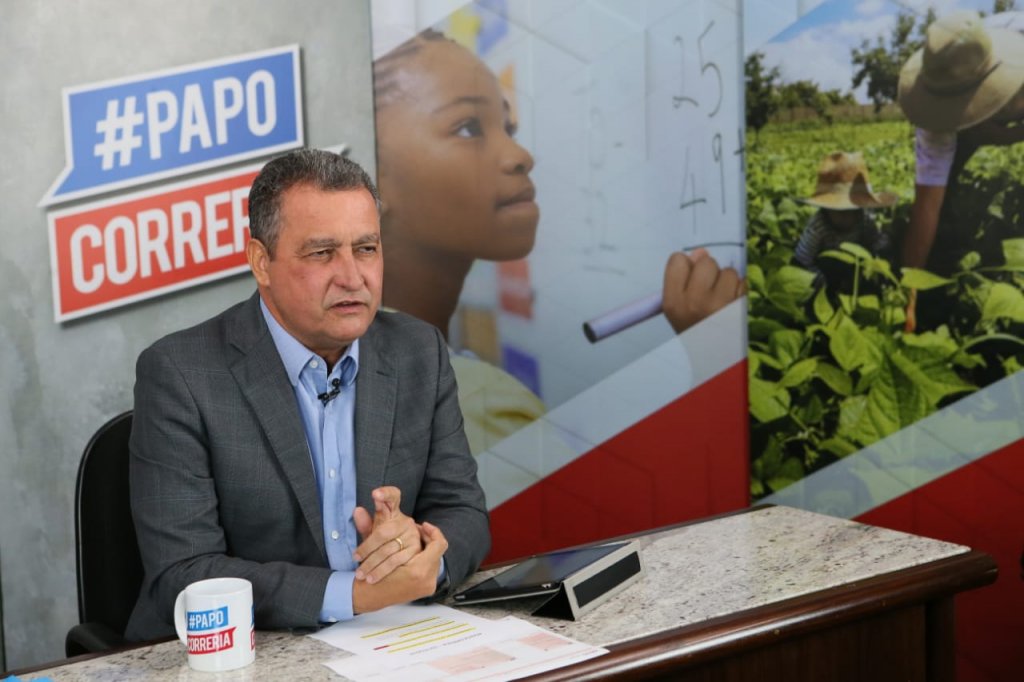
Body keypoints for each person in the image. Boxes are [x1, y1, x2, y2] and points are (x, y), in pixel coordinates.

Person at [125, 149, 490, 641]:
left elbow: (464, 513)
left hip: (394, 639)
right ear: (261, 262)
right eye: (322, 253)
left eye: (366, 248)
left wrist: (422, 555)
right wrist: (353, 594)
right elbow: (184, 573)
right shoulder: (181, 374)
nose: (353, 277)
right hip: (245, 653)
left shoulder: (417, 351)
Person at [372, 29, 743, 450]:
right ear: (369, 176)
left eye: (509, 127)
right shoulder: (465, 407)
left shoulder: (384, 371)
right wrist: (716, 364)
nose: (520, 156)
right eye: (469, 128)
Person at [898, 10, 1024, 330]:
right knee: (943, 199)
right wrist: (908, 296)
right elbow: (927, 204)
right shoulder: (936, 112)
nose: (968, 113)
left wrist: (1008, 133)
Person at [792, 151, 897, 285]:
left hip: (855, 267)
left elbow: (875, 240)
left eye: (854, 210)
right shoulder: (819, 225)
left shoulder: (863, 217)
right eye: (842, 211)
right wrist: (821, 283)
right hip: (826, 271)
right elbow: (802, 259)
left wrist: (883, 253)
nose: (849, 217)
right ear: (827, 209)